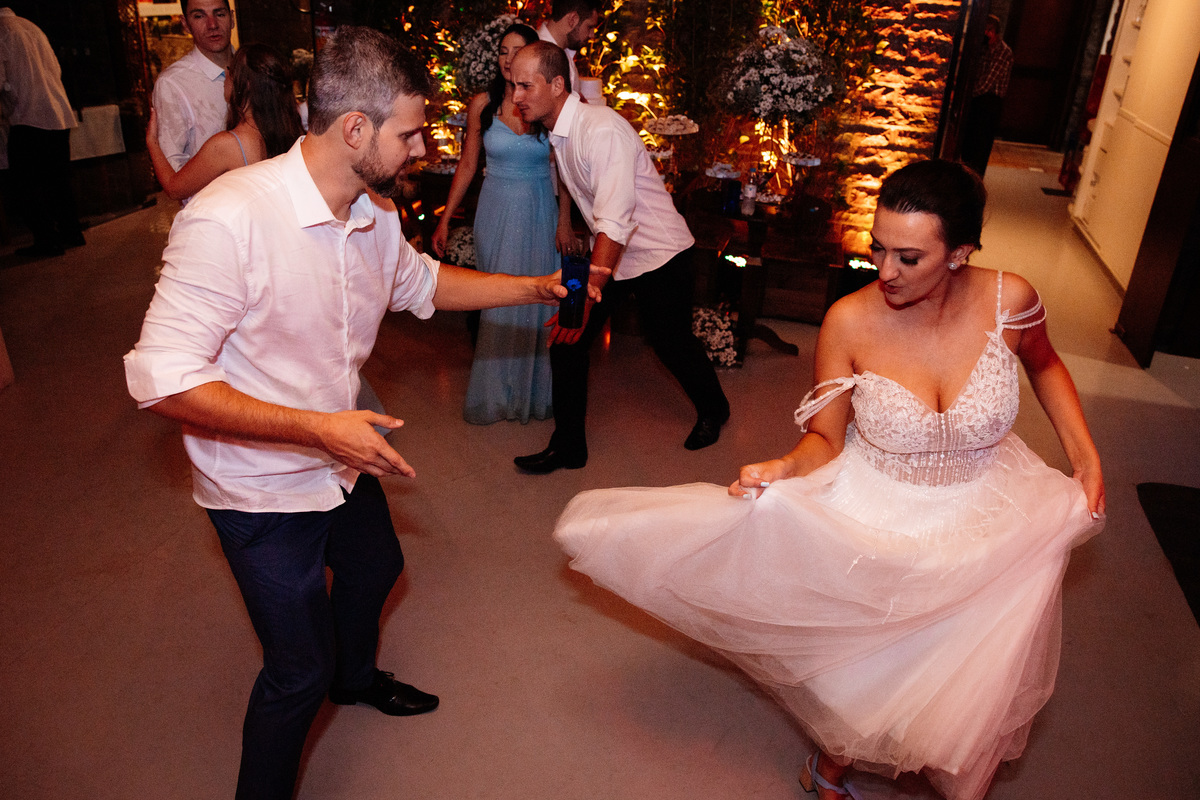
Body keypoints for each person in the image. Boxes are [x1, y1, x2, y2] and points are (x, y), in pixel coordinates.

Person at [124, 26, 598, 800]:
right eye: (410, 130)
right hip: (260, 488)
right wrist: (318, 428)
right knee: (293, 673)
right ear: (355, 129)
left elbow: (423, 286)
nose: (422, 147)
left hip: (340, 454)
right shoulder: (229, 218)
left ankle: (356, 678)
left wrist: (534, 287)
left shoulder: (373, 213)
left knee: (378, 566)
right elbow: (162, 380)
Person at [553, 160, 1105, 800]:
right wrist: (783, 468)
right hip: (882, 516)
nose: (884, 270)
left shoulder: (1012, 299)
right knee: (871, 673)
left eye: (908, 257)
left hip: (990, 514)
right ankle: (830, 767)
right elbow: (825, 437)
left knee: (964, 683)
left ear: (960, 253)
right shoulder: (849, 320)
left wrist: (1085, 457)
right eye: (877, 247)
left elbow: (1047, 365)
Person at [510, 42, 730, 473]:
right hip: (613, 254)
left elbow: (614, 218)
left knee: (671, 343)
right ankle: (569, 447)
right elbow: (574, 188)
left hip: (661, 254)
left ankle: (715, 408)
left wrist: (588, 292)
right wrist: (565, 224)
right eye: (512, 85)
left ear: (557, 85)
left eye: (524, 85)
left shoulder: (602, 129)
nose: (516, 95)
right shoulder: (560, 130)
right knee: (567, 341)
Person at [431, 23, 574, 424]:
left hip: (539, 209)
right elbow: (468, 165)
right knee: (496, 297)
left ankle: (533, 396)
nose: (508, 59)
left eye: (517, 50)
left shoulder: (543, 104)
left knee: (538, 297)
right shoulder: (483, 105)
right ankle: (495, 395)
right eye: (502, 51)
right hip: (494, 211)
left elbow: (562, 169)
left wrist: (565, 221)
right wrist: (445, 219)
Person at [146, 43, 302, 200]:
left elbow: (174, 189)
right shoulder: (291, 131)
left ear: (246, 84)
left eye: (231, 70)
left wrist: (152, 142)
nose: (225, 75)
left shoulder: (226, 145)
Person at [0, 6, 84, 258]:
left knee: (25, 184)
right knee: (58, 180)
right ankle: (71, 232)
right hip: (57, 112)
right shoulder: (31, 27)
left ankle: (46, 240)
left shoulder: (3, 31)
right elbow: (56, 69)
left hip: (28, 115)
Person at [151, 0, 234, 172]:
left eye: (219, 14)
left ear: (232, 18)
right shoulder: (172, 84)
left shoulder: (253, 69)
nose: (212, 25)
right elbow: (173, 170)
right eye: (199, 16)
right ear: (185, 24)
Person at [960, 15, 1013, 177]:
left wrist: (966, 94)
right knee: (968, 142)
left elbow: (986, 82)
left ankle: (975, 179)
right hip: (976, 100)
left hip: (989, 102)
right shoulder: (982, 48)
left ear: (994, 32)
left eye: (987, 31)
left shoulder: (1003, 52)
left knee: (981, 145)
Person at [537, 0, 603, 99]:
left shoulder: (566, 51)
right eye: (589, 27)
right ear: (573, 19)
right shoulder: (537, 54)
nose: (592, 35)